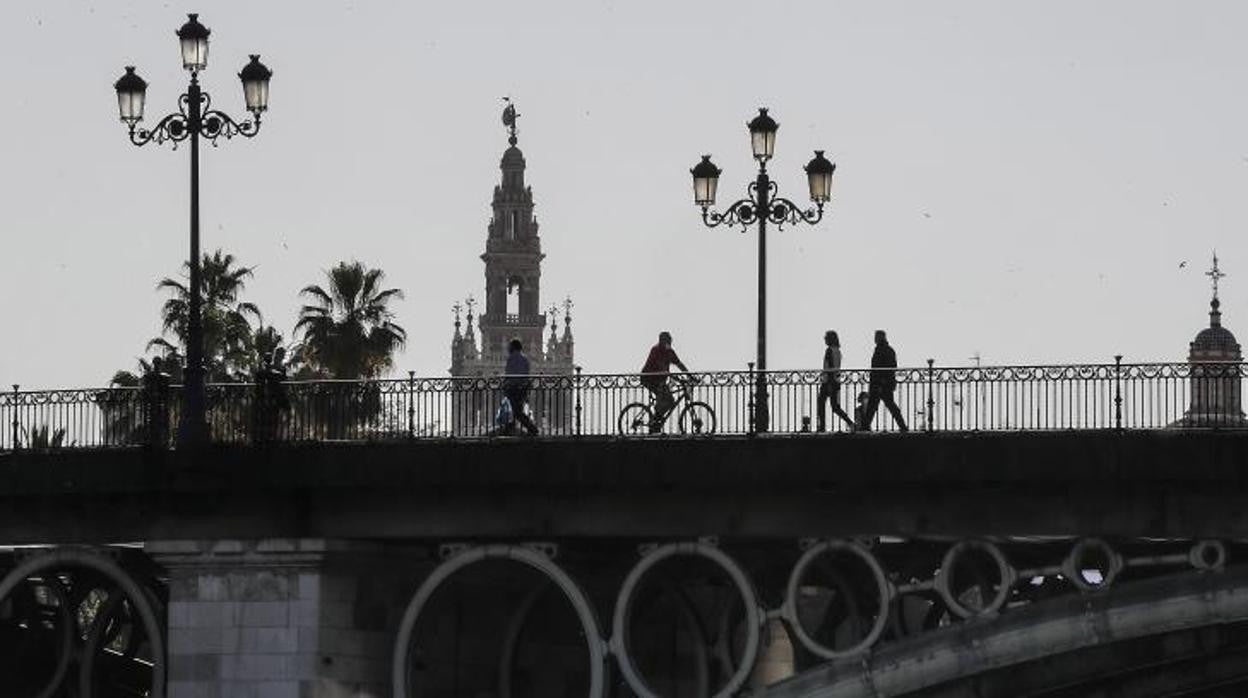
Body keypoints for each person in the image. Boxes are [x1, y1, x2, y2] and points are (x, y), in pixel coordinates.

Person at [859, 330, 909, 432]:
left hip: (880, 384)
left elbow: (886, 367)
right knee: (880, 406)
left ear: (880, 338)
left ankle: (865, 427)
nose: (875, 339)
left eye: (876, 337)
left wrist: (881, 381)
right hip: (883, 383)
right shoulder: (887, 349)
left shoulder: (882, 350)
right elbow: (892, 367)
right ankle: (902, 426)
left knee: (876, 406)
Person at [640, 331, 689, 433]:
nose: (669, 343)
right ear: (661, 341)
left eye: (670, 341)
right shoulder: (656, 350)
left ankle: (656, 421)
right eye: (667, 340)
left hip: (660, 380)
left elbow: (679, 364)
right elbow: (662, 368)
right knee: (664, 398)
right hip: (649, 378)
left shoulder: (670, 352)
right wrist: (677, 379)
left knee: (670, 401)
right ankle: (654, 423)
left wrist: (690, 376)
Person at [816, 330, 855, 432]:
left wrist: (828, 381)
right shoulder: (838, 350)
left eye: (826, 337)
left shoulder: (829, 350)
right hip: (835, 381)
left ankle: (822, 427)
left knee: (821, 404)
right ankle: (850, 423)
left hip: (829, 381)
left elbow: (830, 367)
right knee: (835, 407)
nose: (824, 339)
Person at [503, 338, 539, 436]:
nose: (508, 348)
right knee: (517, 410)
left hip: (514, 388)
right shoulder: (525, 359)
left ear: (513, 347)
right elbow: (526, 374)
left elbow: (508, 374)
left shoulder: (511, 359)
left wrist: (505, 386)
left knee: (517, 411)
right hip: (523, 388)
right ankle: (510, 426)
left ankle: (532, 428)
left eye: (510, 346)